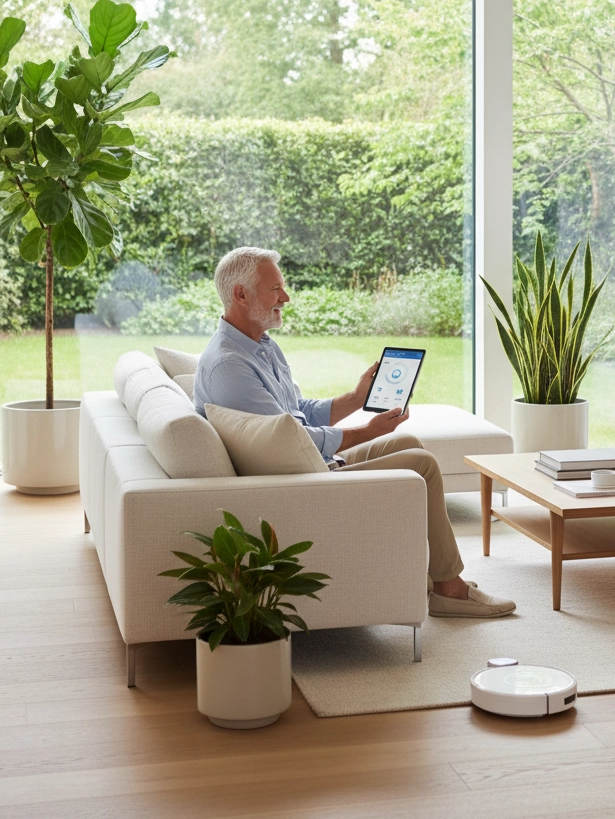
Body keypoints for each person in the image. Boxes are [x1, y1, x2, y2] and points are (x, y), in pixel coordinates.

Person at [193, 246, 515, 619]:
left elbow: (297, 413)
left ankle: (431, 576)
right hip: (298, 480)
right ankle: (449, 588)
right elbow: (290, 440)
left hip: (312, 460)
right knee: (422, 465)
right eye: (276, 288)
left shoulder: (259, 346)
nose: (286, 296)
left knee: (408, 443)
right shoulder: (229, 366)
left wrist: (358, 398)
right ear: (241, 294)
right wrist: (367, 431)